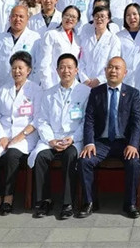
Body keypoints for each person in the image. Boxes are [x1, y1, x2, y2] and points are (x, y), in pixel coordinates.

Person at [78, 57, 140, 219]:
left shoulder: (133, 93)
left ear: (125, 73)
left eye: (117, 68)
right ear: (105, 71)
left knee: (134, 162)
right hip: (102, 142)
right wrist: (89, 143)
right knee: (85, 161)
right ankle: (90, 202)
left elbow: (137, 122)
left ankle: (130, 204)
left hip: (124, 142)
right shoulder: (96, 92)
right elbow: (89, 120)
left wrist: (133, 144)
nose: (113, 71)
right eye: (110, 67)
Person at [29, 54, 91, 219]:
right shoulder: (49, 93)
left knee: (70, 156)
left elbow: (87, 121)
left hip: (73, 139)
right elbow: (42, 120)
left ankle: (67, 203)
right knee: (41, 157)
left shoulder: (85, 92)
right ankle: (44, 201)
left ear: (76, 70)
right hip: (52, 138)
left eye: (70, 67)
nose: (66, 71)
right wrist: (51, 140)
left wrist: (73, 138)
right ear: (57, 70)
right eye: (62, 67)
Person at [0, 51, 41, 215]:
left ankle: (8, 198)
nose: (17, 71)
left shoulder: (36, 90)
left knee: (12, 156)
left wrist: (20, 136)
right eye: (14, 68)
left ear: (28, 70)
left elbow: (38, 118)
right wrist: (1, 136)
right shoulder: (4, 89)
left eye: (21, 68)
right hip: (2, 134)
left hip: (25, 136)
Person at [0, 5, 40, 89]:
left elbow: (37, 66)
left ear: (27, 19)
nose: (17, 19)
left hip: (27, 88)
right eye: (14, 16)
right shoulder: (0, 39)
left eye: (21, 17)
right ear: (9, 18)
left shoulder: (35, 38)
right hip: (3, 86)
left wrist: (34, 85)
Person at [38, 6, 81, 90]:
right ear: (62, 16)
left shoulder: (78, 39)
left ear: (77, 21)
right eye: (67, 15)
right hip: (54, 81)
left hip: (72, 84)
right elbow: (44, 63)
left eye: (73, 17)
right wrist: (48, 86)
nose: (70, 19)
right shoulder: (51, 34)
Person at [78, 5, 121, 88]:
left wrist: (99, 80)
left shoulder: (113, 39)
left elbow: (112, 63)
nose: (99, 19)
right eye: (96, 16)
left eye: (102, 16)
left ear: (108, 19)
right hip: (85, 83)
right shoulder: (86, 38)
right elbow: (81, 61)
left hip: (104, 83)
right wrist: (84, 79)